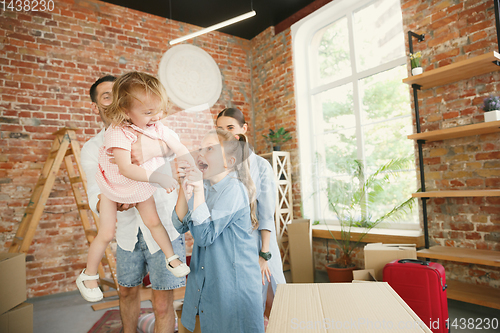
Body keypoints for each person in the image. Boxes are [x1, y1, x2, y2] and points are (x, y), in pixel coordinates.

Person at [80, 74, 187, 333]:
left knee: (163, 303)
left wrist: (155, 149)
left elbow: (182, 148)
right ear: (98, 105)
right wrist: (114, 201)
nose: (113, 99)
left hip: (160, 220)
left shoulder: (152, 126)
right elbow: (96, 192)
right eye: (107, 96)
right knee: (127, 293)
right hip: (127, 233)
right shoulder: (93, 147)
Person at [173, 129, 265, 333]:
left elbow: (204, 236)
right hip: (207, 278)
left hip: (232, 285)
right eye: (200, 149)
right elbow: (179, 224)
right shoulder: (204, 186)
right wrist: (184, 186)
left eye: (209, 149)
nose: (200, 154)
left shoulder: (234, 189)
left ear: (229, 162)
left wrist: (196, 191)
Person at [216, 107, 286, 319]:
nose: (225, 133)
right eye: (219, 129)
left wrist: (264, 255)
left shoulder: (260, 166)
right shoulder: (216, 165)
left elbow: (266, 214)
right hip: (229, 246)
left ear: (243, 128)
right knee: (243, 306)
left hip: (258, 243)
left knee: (274, 301)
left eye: (230, 127)